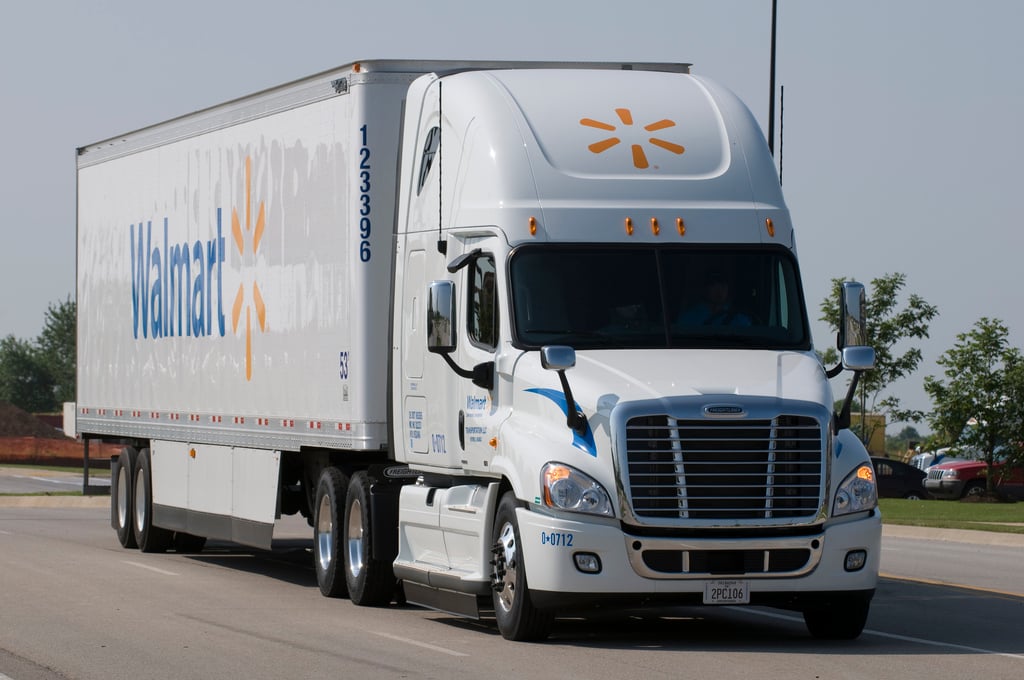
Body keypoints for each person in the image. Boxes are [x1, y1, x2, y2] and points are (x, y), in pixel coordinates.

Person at [678, 270, 752, 327]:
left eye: (723, 285)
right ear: (705, 289)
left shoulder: (739, 318)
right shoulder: (690, 317)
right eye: (713, 285)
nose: (719, 289)